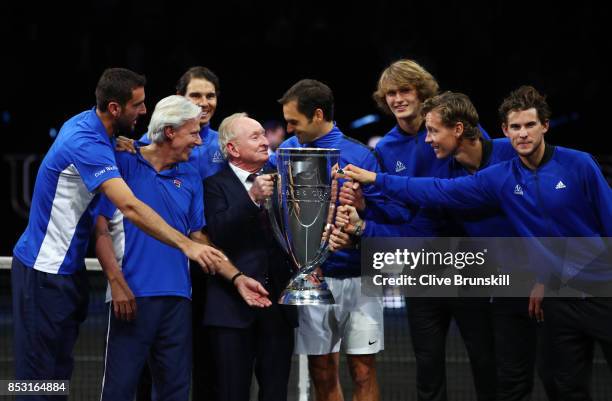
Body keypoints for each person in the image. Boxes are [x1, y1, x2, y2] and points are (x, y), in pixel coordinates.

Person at [339, 85, 612, 401]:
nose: (522, 134)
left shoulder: (570, 163)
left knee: (553, 378)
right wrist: (372, 191)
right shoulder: (498, 176)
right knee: (553, 385)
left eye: (529, 125)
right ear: (505, 130)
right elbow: (432, 192)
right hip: (539, 293)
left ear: (545, 126)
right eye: (515, 127)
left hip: (593, 288)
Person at [10, 68, 225, 400]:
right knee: (36, 379)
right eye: (137, 105)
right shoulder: (87, 143)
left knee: (59, 373)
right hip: (42, 270)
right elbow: (130, 207)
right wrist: (187, 245)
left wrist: (120, 143)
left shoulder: (95, 130)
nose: (143, 111)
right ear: (114, 108)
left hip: (68, 270)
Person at [95, 96, 271, 401]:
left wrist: (236, 277)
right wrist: (115, 281)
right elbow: (99, 228)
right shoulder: (121, 162)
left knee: (175, 392)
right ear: (169, 132)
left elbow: (198, 239)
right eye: (193, 133)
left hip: (178, 301)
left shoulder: (189, 175)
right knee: (119, 391)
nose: (200, 141)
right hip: (131, 298)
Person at [270, 79, 384, 401]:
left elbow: (383, 215)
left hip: (361, 277)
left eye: (294, 121)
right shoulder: (285, 153)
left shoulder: (360, 155)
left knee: (363, 371)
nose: (289, 128)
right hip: (310, 277)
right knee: (321, 371)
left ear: (317, 114)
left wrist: (361, 205)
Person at [202, 112, 303, 401]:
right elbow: (217, 235)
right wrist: (251, 199)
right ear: (232, 149)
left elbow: (296, 235)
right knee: (232, 392)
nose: (265, 141)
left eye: (263, 134)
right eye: (255, 136)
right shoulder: (213, 185)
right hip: (231, 310)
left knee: (275, 393)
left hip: (277, 309)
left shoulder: (283, 180)